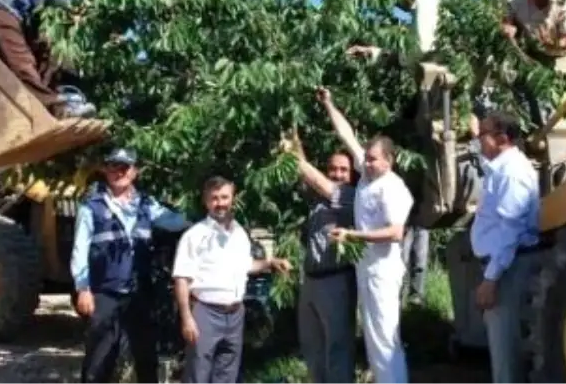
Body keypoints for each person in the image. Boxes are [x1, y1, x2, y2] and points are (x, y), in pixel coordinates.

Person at [317, 88, 413, 384]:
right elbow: (347, 135)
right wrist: (329, 104)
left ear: (389, 161)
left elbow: (396, 231)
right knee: (373, 337)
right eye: (366, 159)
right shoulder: (370, 175)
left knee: (384, 338)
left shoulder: (392, 188)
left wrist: (353, 236)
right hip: (367, 267)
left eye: (372, 160)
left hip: (382, 270)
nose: (366, 164)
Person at [70, 148, 189, 384]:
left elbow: (177, 222)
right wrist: (83, 289)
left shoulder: (147, 205)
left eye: (125, 167)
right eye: (114, 166)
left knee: (146, 358)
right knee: (99, 359)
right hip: (104, 293)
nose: (119, 172)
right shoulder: (91, 207)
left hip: (139, 294)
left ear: (135, 172)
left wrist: (204, 222)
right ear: (106, 170)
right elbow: (79, 251)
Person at [172, 176, 291, 384]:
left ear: (233, 198)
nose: (220, 203)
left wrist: (270, 262)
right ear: (206, 201)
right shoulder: (194, 235)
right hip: (205, 313)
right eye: (215, 198)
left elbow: (246, 266)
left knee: (227, 375)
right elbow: (182, 279)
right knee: (198, 373)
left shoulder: (238, 233)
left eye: (225, 197)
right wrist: (186, 318)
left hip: (235, 314)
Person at [468, 111, 541, 384]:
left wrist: (491, 279)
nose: (478, 139)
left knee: (506, 357)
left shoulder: (512, 173)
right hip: (501, 267)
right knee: (502, 353)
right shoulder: (501, 168)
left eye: (482, 135)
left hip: (506, 269)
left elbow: (510, 231)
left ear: (501, 138)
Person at [280, 125, 358, 384]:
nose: (337, 174)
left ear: (352, 175)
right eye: (333, 169)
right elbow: (307, 177)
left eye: (343, 170)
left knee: (337, 347)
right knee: (313, 346)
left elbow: (315, 180)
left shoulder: (350, 196)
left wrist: (290, 153)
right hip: (311, 280)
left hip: (336, 280)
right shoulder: (319, 199)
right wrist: (295, 141)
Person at [401, 225, 429, 305]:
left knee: (421, 263)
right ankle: (400, 299)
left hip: (423, 223)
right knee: (403, 262)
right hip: (404, 222)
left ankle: (416, 299)